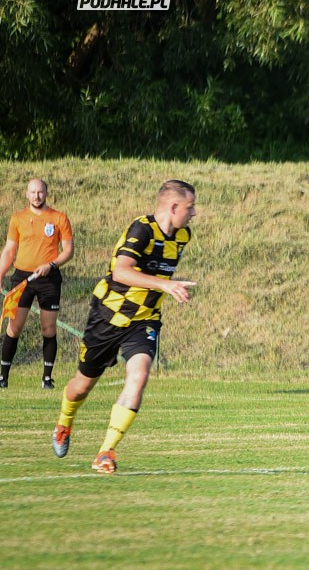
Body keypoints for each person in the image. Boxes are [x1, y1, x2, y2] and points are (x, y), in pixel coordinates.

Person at [51, 180, 197, 474]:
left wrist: (164, 287)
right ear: (173, 207)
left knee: (139, 376)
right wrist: (165, 285)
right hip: (109, 316)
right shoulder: (141, 229)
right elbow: (121, 271)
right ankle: (64, 423)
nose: (193, 213)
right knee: (81, 386)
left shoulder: (183, 236)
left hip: (144, 319)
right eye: (190, 207)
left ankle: (106, 452)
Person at [0, 178, 74, 390]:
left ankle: (47, 378)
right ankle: (3, 376)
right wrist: (0, 274)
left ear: (46, 193)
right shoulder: (18, 218)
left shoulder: (59, 218)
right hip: (23, 278)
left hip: (49, 278)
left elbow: (68, 251)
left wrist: (51, 265)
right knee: (14, 327)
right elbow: (9, 250)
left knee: (48, 328)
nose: (37, 196)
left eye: (40, 192)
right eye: (32, 192)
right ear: (27, 194)